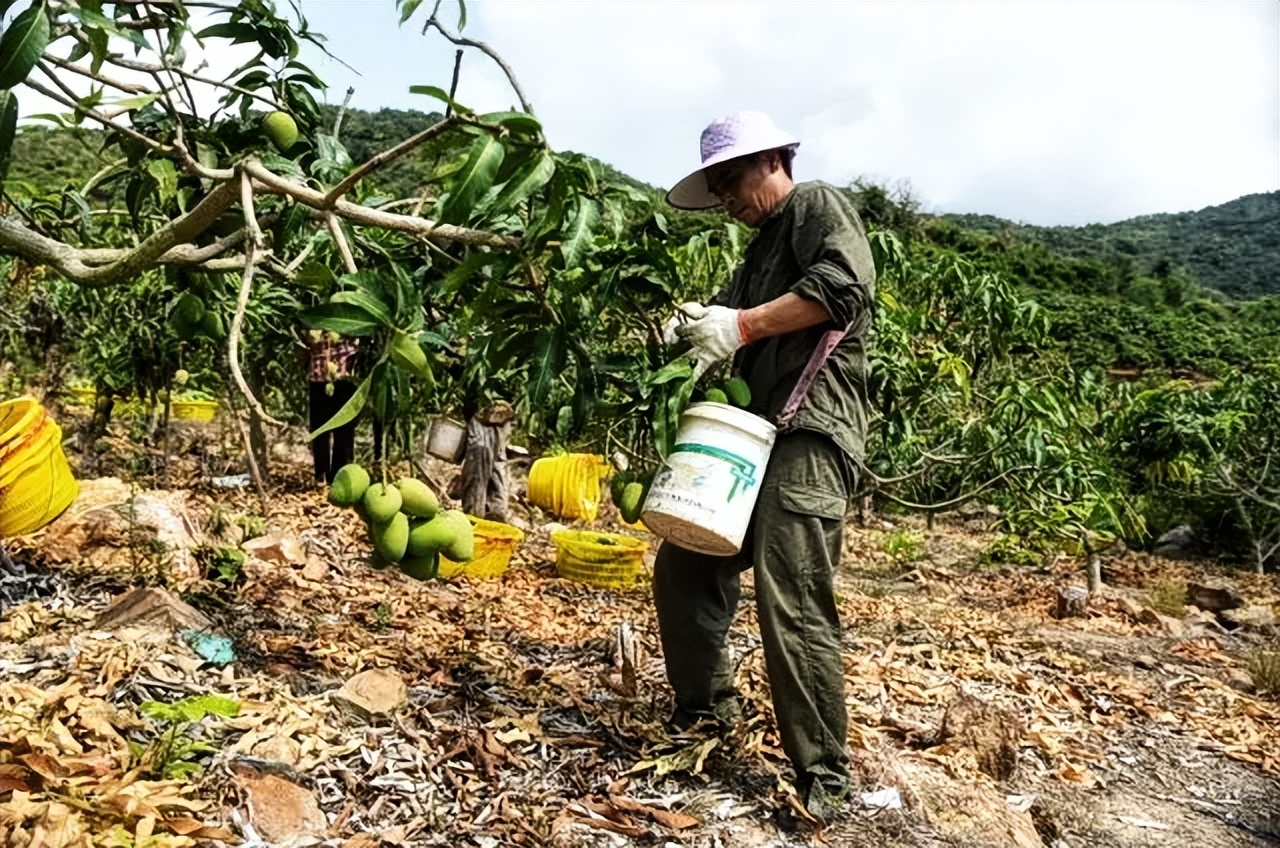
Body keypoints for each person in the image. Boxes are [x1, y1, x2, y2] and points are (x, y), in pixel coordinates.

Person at [654, 111, 876, 826]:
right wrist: (699, 322)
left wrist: (741, 325)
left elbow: (841, 290)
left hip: (811, 433)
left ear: (775, 160)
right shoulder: (755, 256)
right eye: (717, 191)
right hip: (754, 435)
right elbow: (732, 319)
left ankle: (824, 775)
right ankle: (708, 710)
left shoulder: (815, 205)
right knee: (684, 565)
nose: (728, 200)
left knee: (791, 592)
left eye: (733, 182)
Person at [305, 329, 360, 485]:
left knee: (344, 429)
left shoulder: (350, 316)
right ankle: (320, 474)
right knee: (319, 429)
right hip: (318, 376)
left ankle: (339, 475)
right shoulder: (314, 316)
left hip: (345, 376)